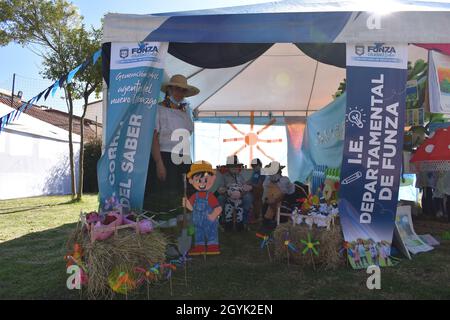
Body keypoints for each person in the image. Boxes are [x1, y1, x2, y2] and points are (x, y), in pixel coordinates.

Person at [144, 74, 199, 212]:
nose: (179, 93)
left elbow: (188, 133)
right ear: (169, 89)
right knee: (166, 196)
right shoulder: (159, 109)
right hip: (166, 157)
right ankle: (165, 230)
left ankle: (182, 228)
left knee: (183, 194)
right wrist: (159, 163)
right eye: (176, 89)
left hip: (184, 158)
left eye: (183, 90)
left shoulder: (186, 112)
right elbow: (154, 137)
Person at [183, 161, 222, 256]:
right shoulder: (194, 196)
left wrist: (213, 215)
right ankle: (199, 247)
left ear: (212, 179)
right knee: (198, 234)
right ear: (191, 181)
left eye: (206, 180)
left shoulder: (210, 196)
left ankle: (213, 247)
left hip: (209, 221)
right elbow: (191, 208)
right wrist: (186, 203)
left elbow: (218, 208)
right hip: (197, 222)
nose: (202, 183)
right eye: (198, 180)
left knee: (211, 234)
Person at [217, 155, 253, 228]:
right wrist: (227, 192)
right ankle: (224, 219)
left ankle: (244, 220)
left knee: (248, 197)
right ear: (229, 167)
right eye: (232, 166)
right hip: (228, 195)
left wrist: (242, 193)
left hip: (240, 195)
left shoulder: (240, 176)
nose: (234, 168)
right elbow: (220, 188)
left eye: (236, 166)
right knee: (220, 198)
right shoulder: (224, 176)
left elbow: (244, 186)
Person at [248, 158, 265, 223]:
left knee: (257, 201)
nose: (254, 168)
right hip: (254, 189)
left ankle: (259, 216)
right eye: (253, 167)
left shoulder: (262, 172)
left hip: (259, 190)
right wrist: (245, 183)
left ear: (259, 165)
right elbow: (251, 180)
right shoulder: (255, 172)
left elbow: (259, 185)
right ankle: (254, 216)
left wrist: (251, 184)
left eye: (255, 166)